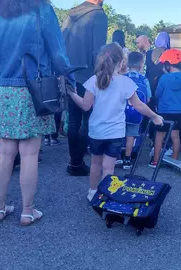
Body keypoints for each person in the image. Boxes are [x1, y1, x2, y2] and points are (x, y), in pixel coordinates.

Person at [0, 0, 75, 226]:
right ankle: (27, 210)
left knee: (4, 153)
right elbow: (57, 51)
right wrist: (70, 79)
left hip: (3, 89)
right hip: (34, 89)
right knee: (29, 154)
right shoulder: (41, 9)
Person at [68, 43, 163, 201]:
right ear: (121, 62)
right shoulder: (126, 83)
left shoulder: (93, 81)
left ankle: (92, 192)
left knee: (95, 164)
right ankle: (107, 194)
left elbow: (85, 106)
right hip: (116, 133)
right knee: (109, 167)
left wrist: (71, 94)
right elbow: (139, 105)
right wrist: (154, 116)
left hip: (96, 131)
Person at [62, 0, 108, 177]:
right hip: (89, 74)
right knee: (89, 119)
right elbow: (99, 50)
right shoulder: (98, 14)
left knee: (73, 120)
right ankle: (78, 162)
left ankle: (74, 162)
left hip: (69, 72)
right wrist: (103, 75)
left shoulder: (70, 14)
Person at [149, 49, 181, 168]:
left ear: (167, 65)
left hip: (164, 112)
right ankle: (174, 159)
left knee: (159, 136)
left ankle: (155, 160)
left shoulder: (164, 78)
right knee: (175, 136)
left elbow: (157, 94)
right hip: (179, 112)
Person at [122, 51, 151, 170]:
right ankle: (127, 160)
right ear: (141, 64)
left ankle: (117, 155)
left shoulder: (123, 78)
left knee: (119, 135)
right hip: (136, 114)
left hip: (121, 113)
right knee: (130, 136)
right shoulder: (144, 79)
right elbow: (148, 98)